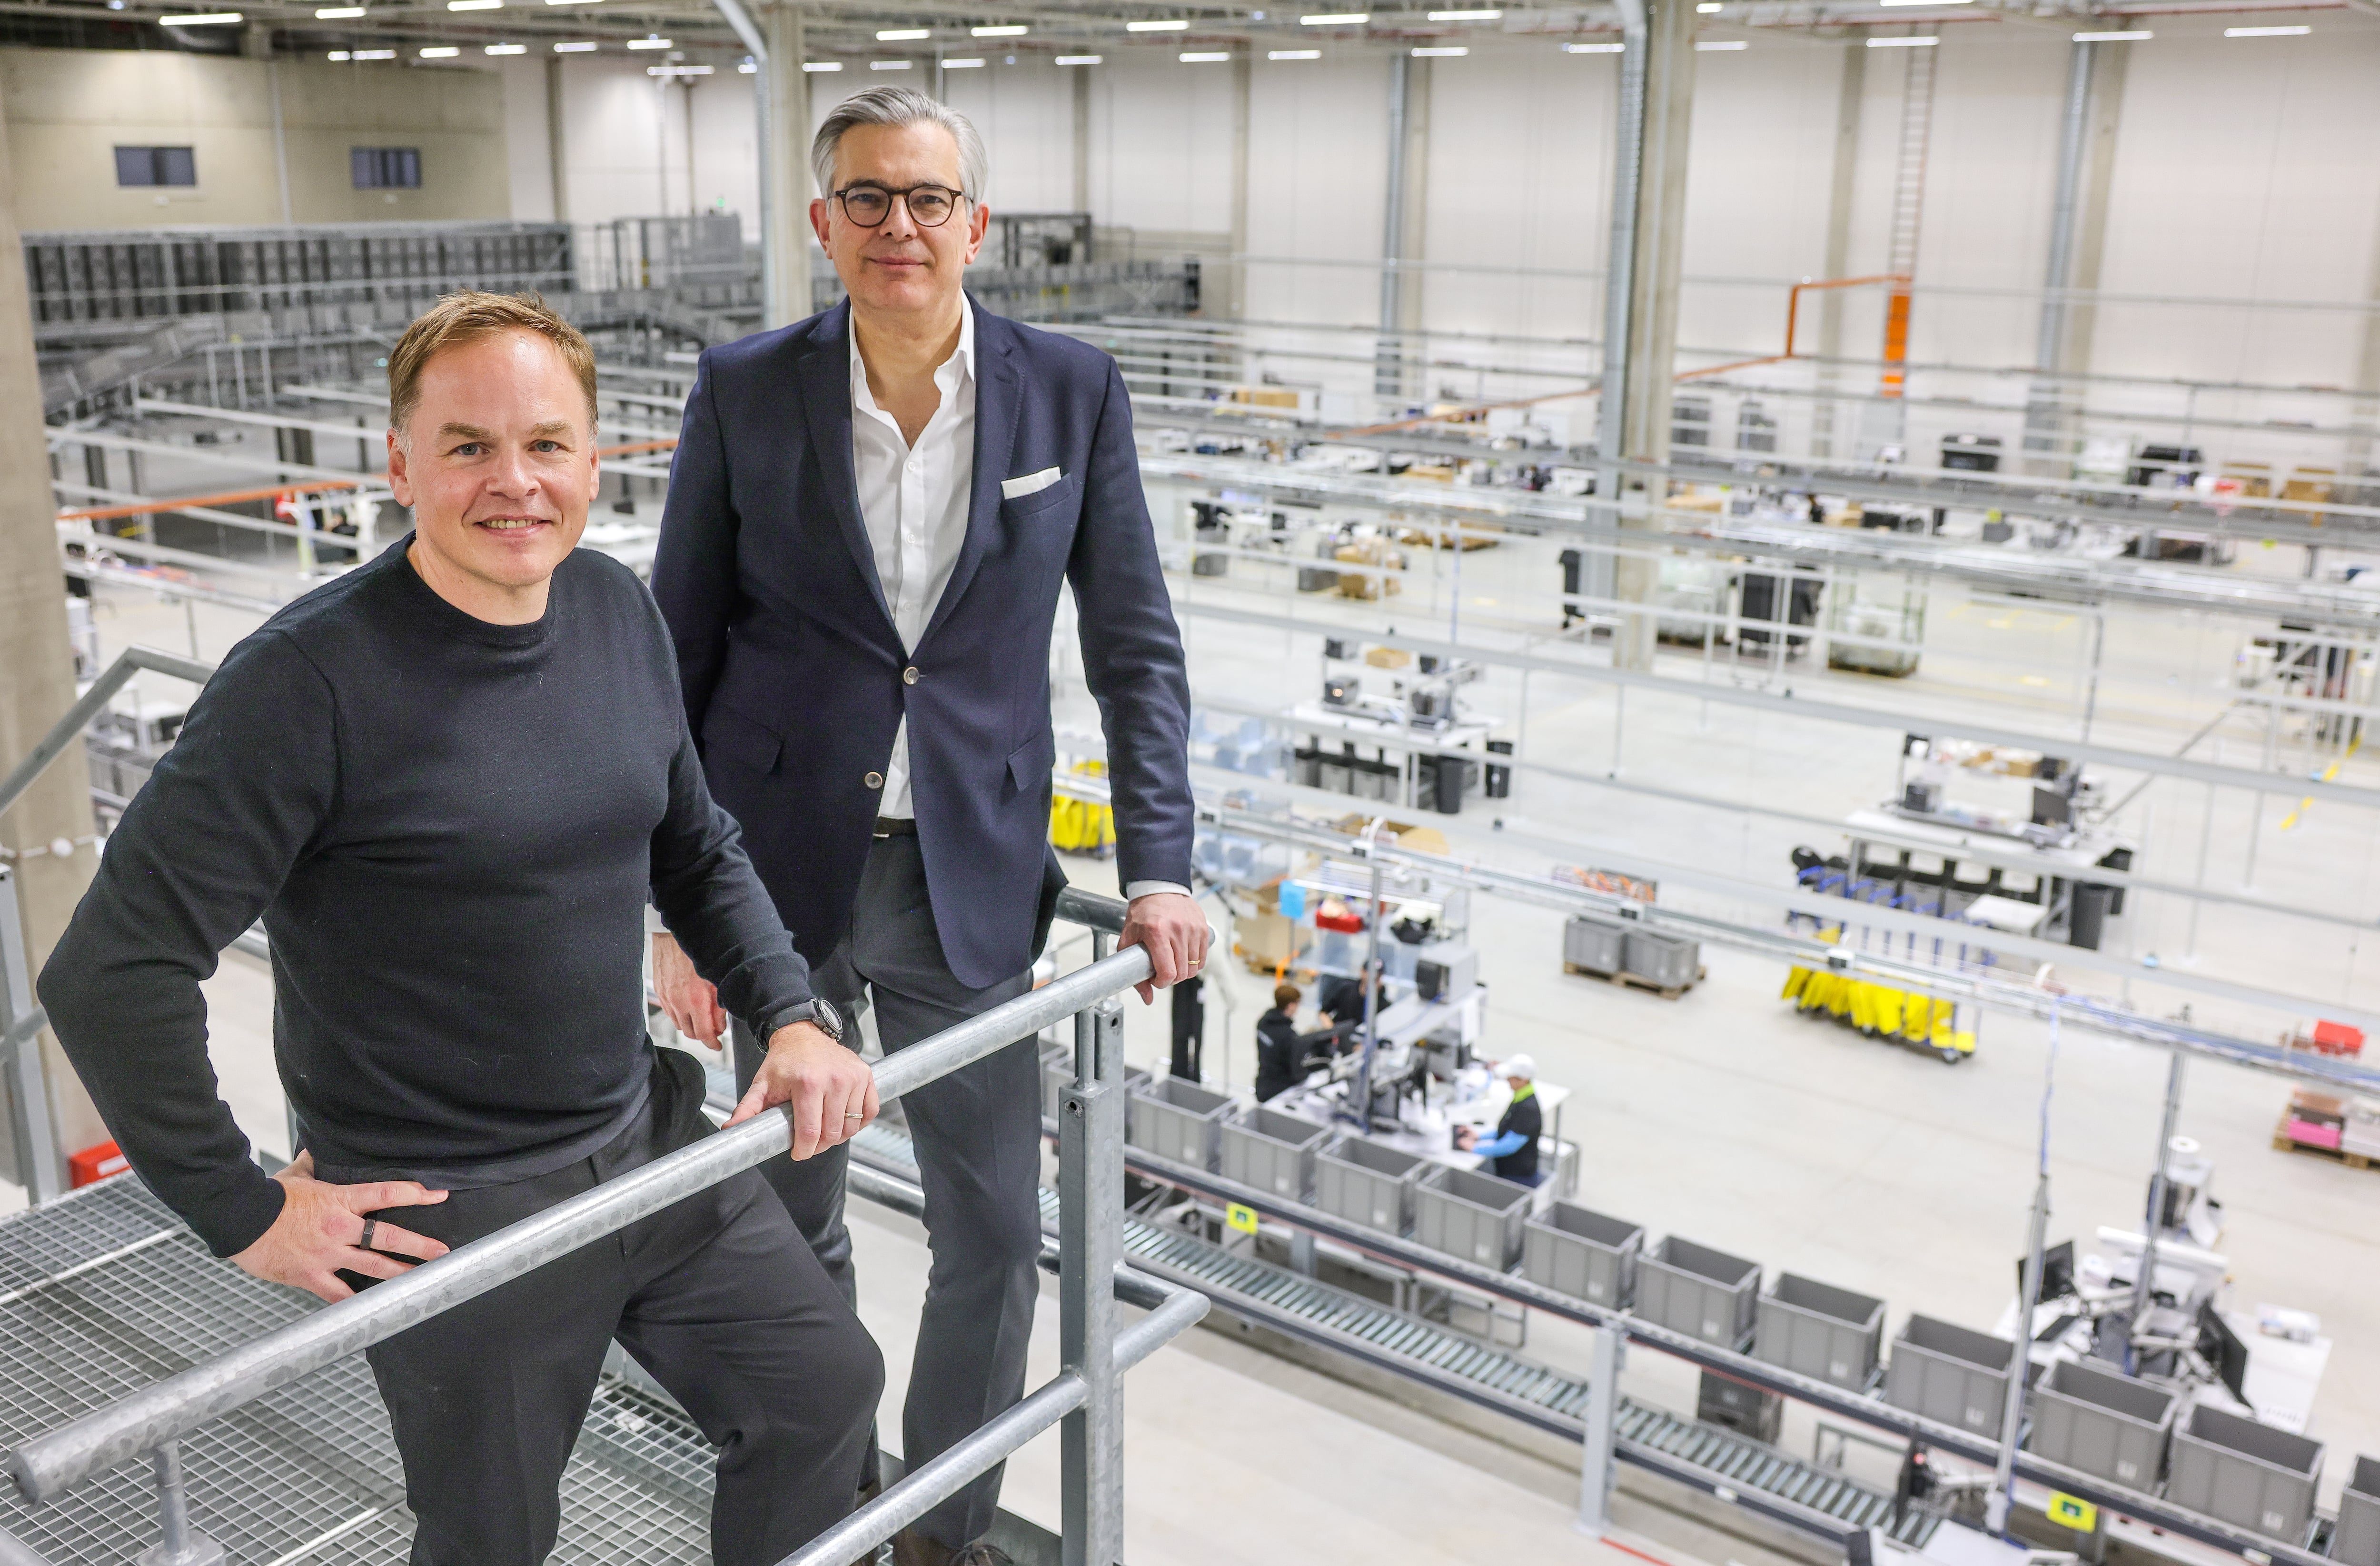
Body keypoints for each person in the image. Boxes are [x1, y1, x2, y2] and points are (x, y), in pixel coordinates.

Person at [37, 291, 884, 1566]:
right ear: (401, 464)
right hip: (450, 1204)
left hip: (643, 1139)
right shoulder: (305, 682)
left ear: (593, 458)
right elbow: (111, 968)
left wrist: (792, 1013)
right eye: (469, 446)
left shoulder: (614, 609)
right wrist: (240, 1205)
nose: (515, 481)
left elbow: (695, 843)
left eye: (547, 444)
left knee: (823, 1388)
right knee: (494, 1535)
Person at [647, 85, 1205, 1566]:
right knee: (793, 1226)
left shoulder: (1070, 390)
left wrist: (1160, 867)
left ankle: (940, 1534)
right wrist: (669, 906)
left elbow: (1135, 648)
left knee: (993, 1236)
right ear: (823, 223)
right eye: (869, 197)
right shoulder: (744, 388)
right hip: (769, 883)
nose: (900, 224)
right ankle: (825, 1504)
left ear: (977, 224)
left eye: (928, 198)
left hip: (971, 873)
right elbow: (673, 652)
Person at [1456, 1055, 1544, 1184]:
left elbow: (1510, 1146)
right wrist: (1479, 1136)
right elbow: (1507, 1129)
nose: (1508, 1080)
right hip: (1508, 1171)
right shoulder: (1520, 1097)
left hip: (1518, 1178)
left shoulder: (1528, 1109)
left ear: (1523, 1080)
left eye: (1511, 1078)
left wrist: (1475, 1148)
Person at [1253, 984, 1344, 1103]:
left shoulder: (1263, 1023)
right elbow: (1296, 1070)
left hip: (1263, 1081)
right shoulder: (1288, 1036)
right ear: (1291, 1006)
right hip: (1280, 1090)